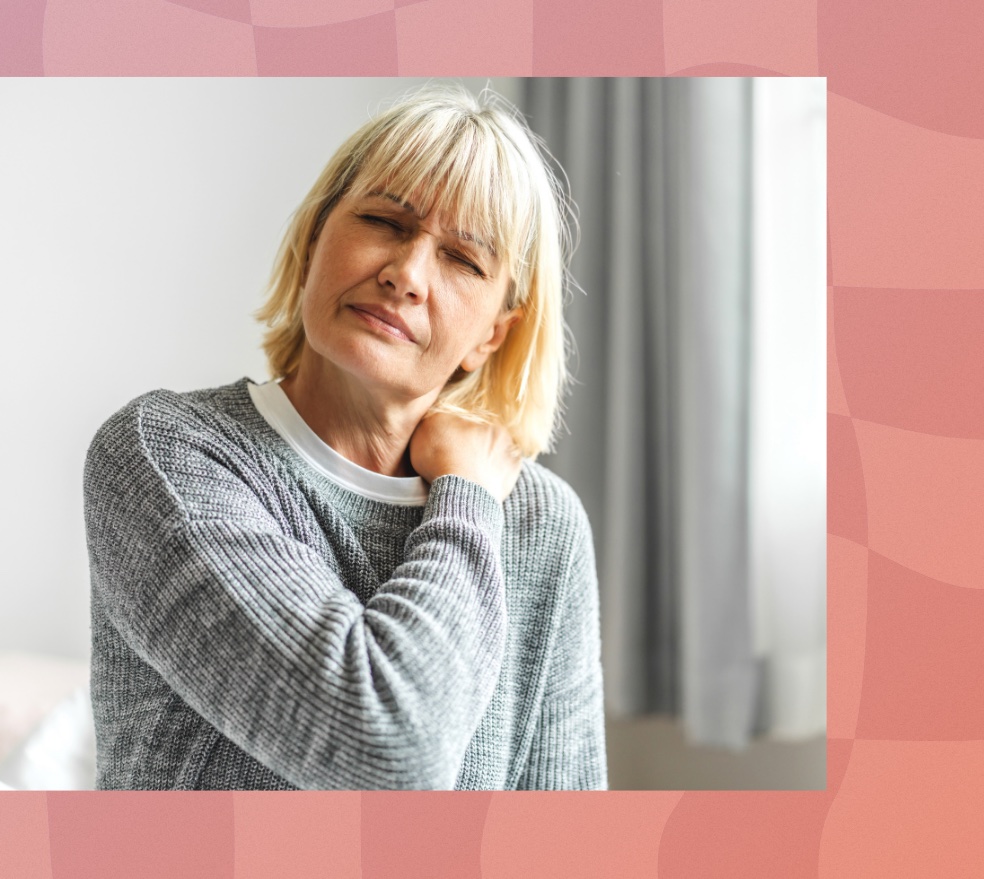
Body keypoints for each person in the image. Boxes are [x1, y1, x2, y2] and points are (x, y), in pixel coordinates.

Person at [84, 84, 606, 790]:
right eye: (385, 221)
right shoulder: (164, 454)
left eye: (463, 259)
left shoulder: (542, 525)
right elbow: (388, 748)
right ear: (313, 238)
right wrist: (467, 496)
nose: (407, 274)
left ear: (492, 333)